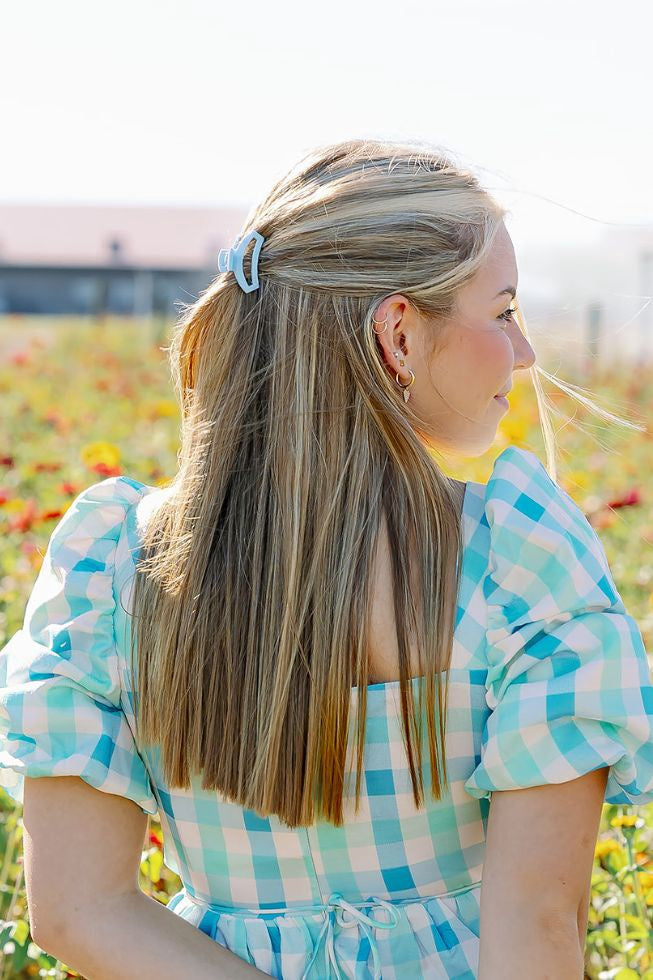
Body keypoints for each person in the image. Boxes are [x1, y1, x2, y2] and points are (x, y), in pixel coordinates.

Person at [1, 138, 652, 980]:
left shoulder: (113, 568)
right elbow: (535, 927)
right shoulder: (518, 560)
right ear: (398, 335)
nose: (522, 353)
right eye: (502, 311)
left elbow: (79, 911)